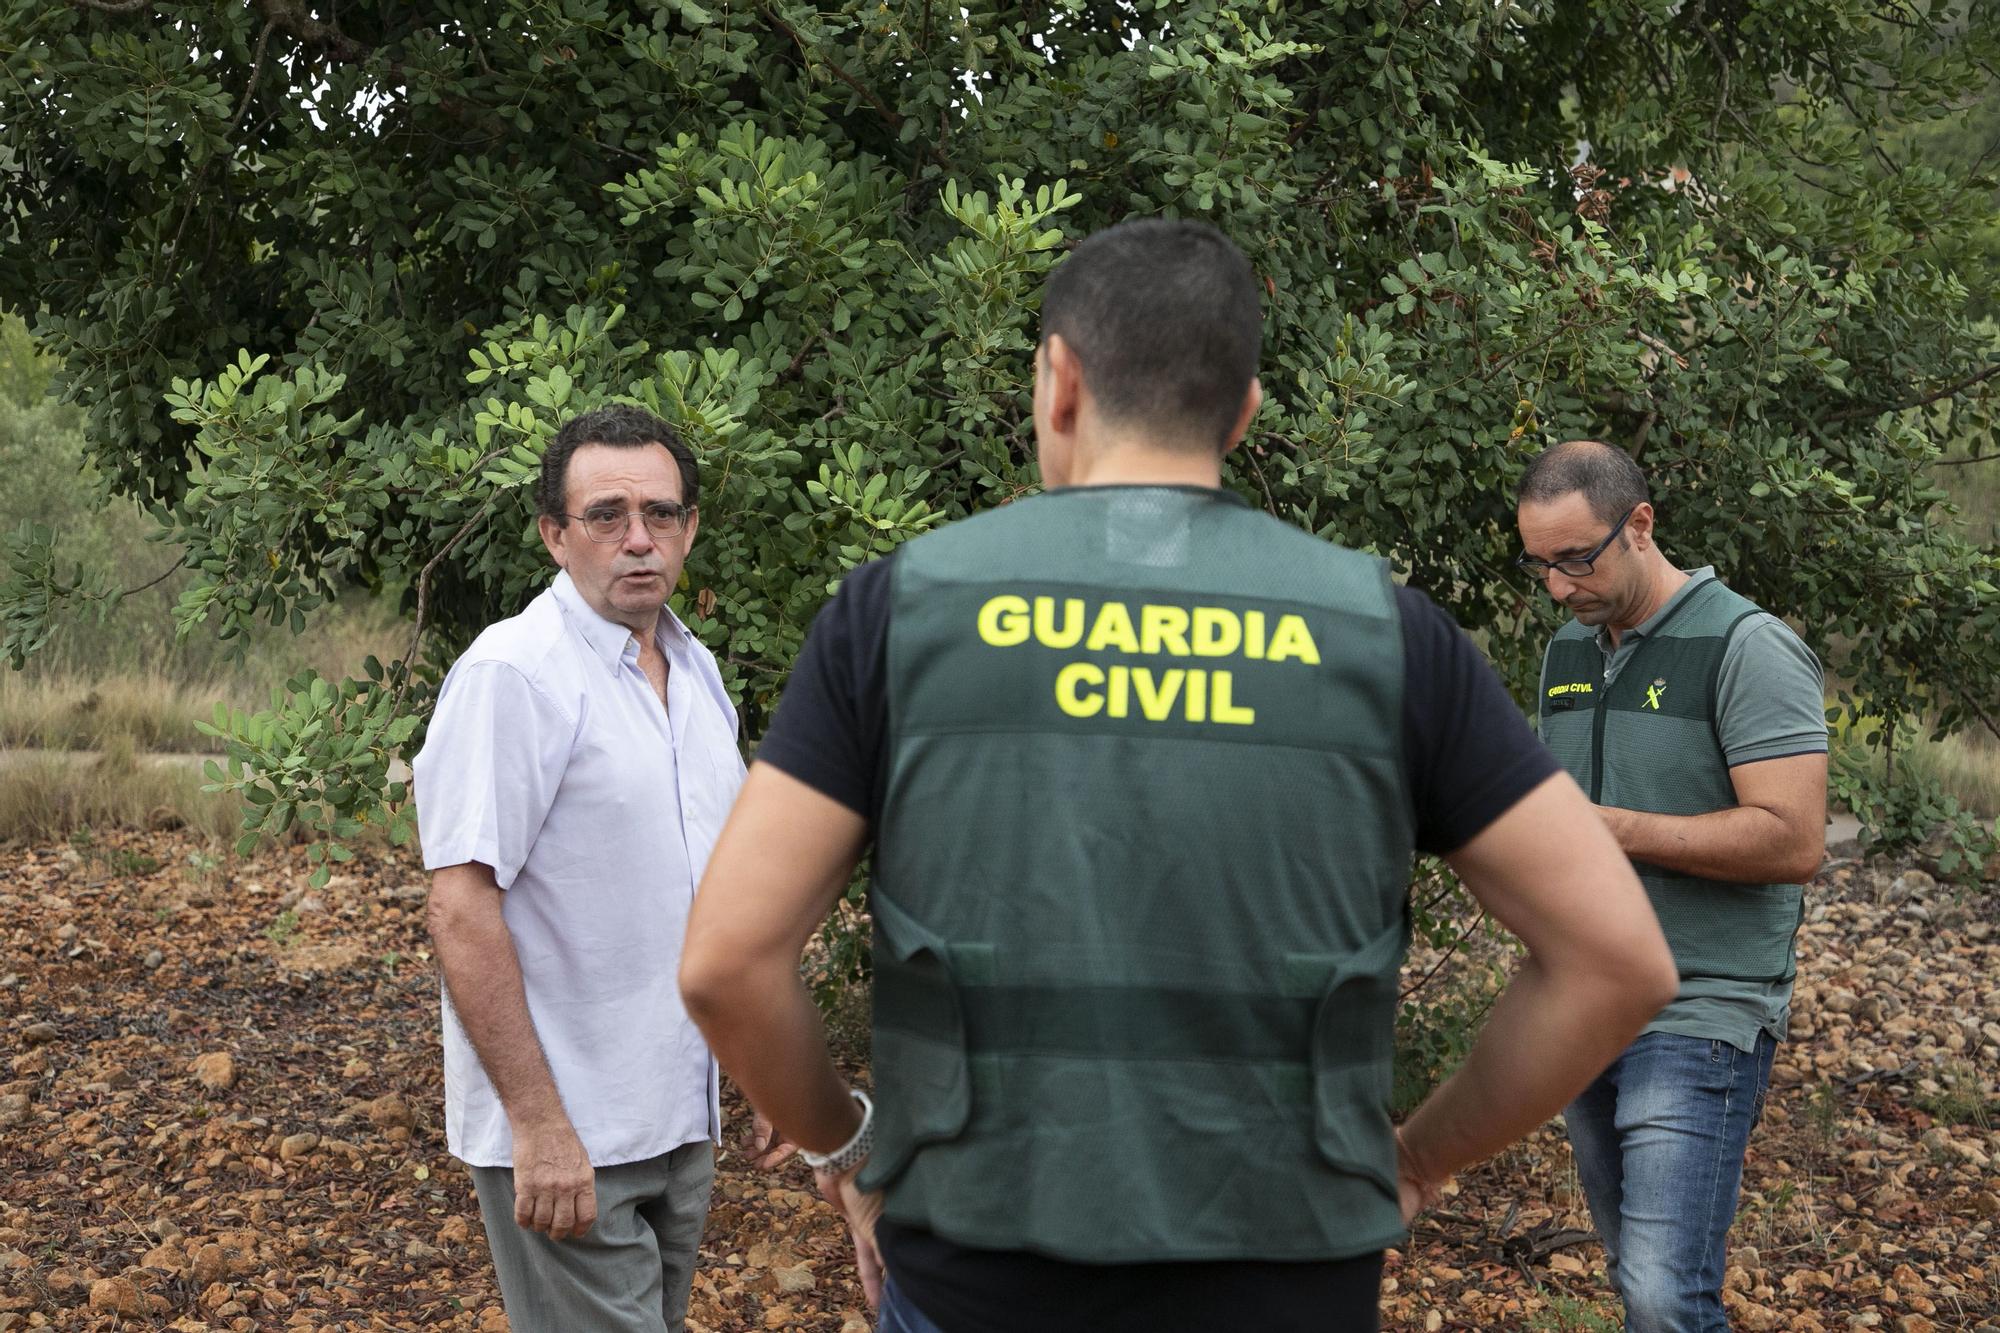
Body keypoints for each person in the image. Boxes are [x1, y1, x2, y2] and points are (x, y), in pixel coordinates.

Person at [679, 219, 1678, 1333]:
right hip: (1286, 1282)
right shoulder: (1381, 634)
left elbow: (726, 960)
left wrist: (849, 1147)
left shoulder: (899, 613)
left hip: (975, 1279)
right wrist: (1410, 1160)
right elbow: (1614, 960)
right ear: (1244, 414)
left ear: (1056, 382)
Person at [415, 404, 779, 1333]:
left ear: (690, 528)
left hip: (678, 1121)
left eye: (660, 514)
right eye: (606, 515)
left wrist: (767, 1067)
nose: (637, 539)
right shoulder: (515, 675)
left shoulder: (695, 677)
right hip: (568, 1136)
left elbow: (720, 894)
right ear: (553, 535)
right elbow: (461, 908)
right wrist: (538, 1125)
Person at [1515, 440, 1829, 1332]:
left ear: (1641, 524)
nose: (1558, 587)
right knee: (1638, 1277)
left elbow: (1793, 838)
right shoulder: (1566, 652)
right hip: (1585, 1005)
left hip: (1701, 1005)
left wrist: (1609, 829)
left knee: (1664, 1291)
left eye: (1577, 559)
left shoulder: (1749, 646)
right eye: (1540, 564)